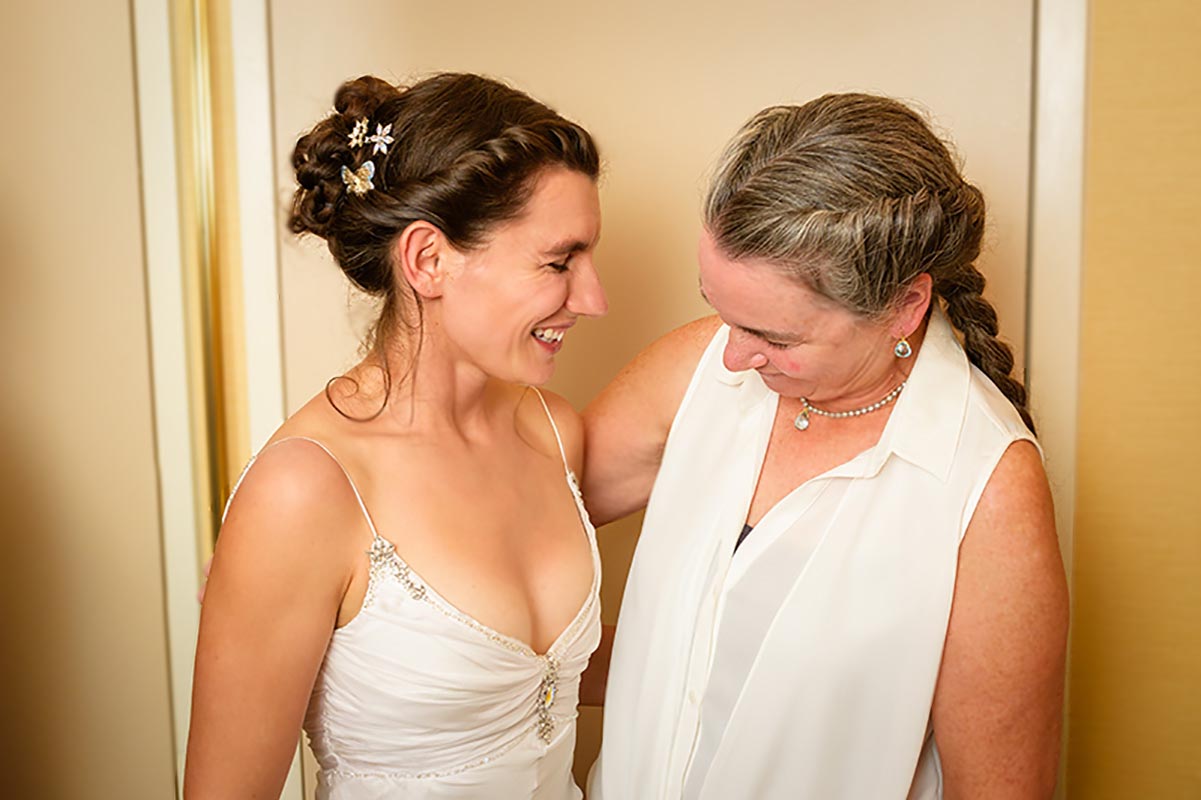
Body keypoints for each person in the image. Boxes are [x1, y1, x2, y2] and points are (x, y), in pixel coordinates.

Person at [582, 94, 1069, 798]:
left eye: (776, 339)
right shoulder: (698, 366)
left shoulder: (987, 488)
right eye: (721, 313)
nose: (730, 358)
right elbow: (511, 547)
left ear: (905, 305)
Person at [184, 73, 607, 799]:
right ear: (427, 260)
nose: (593, 298)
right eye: (558, 262)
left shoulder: (551, 431)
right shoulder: (305, 492)